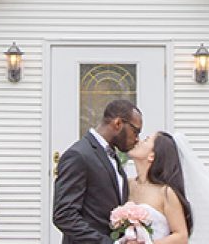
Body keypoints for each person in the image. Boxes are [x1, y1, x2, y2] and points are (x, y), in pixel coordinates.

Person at [53, 100, 144, 244]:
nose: (137, 138)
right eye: (135, 131)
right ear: (118, 124)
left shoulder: (112, 156)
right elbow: (64, 215)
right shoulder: (79, 155)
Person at [124, 131, 192, 243]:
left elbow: (181, 236)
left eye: (145, 140)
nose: (138, 141)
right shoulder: (127, 184)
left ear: (152, 156)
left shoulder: (165, 192)